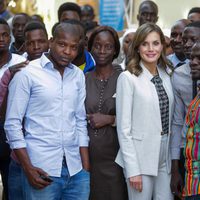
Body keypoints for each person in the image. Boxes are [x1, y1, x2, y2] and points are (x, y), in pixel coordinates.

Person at [4, 22, 90, 200]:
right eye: (62, 44)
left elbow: (80, 120)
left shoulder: (78, 76)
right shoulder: (27, 73)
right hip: (41, 169)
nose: (68, 52)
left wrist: (85, 168)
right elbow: (12, 124)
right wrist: (28, 169)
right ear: (51, 42)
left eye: (74, 47)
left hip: (76, 170)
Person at [115, 23, 174, 200]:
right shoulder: (127, 78)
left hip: (164, 157)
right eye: (145, 43)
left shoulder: (166, 73)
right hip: (139, 158)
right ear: (137, 47)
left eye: (155, 43)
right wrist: (133, 170)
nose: (150, 49)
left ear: (162, 46)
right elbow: (124, 130)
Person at [6, 21, 49, 200]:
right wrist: (9, 77)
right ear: (24, 44)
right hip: (18, 155)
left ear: (49, 42)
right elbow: (6, 117)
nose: (37, 47)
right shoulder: (17, 70)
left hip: (46, 155)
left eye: (41, 41)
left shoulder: (60, 70)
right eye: (31, 43)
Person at [85, 25, 127, 200]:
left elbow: (139, 118)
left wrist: (110, 119)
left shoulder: (126, 78)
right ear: (90, 48)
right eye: (97, 45)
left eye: (108, 46)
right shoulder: (82, 78)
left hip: (117, 160)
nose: (102, 51)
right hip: (87, 160)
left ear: (116, 50)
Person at [170, 21, 200, 199]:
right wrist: (175, 169)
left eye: (193, 39)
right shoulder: (179, 75)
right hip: (187, 154)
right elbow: (177, 122)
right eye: (185, 39)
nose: (186, 44)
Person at [0, 18, 26, 200]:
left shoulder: (20, 62)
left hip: (10, 132)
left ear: (9, 38)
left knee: (10, 183)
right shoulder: (13, 68)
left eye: (4, 35)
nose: (1, 39)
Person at [182, 41, 200, 200]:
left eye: (199, 59)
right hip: (192, 185)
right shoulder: (197, 97)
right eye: (192, 58)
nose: (193, 62)